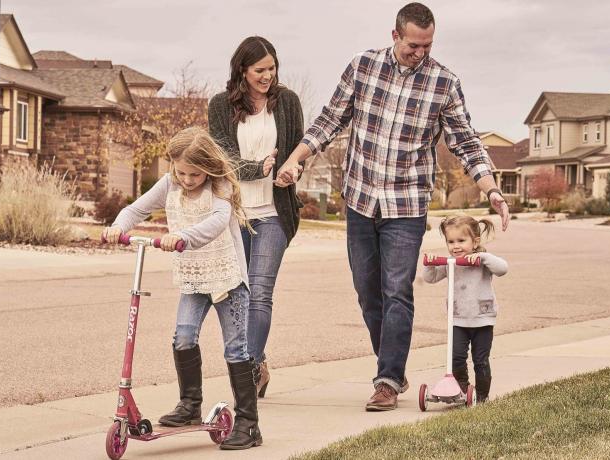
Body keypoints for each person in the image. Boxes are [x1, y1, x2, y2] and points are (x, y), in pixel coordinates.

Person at [274, 2, 511, 411]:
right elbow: (329, 120)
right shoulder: (363, 66)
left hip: (407, 204)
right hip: (360, 199)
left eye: (427, 46)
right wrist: (296, 159)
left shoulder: (444, 83)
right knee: (368, 293)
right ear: (395, 35)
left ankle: (386, 379)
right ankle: (395, 369)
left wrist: (491, 190)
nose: (420, 53)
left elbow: (466, 142)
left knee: (397, 290)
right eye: (413, 46)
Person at [102, 127, 261, 450]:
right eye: (182, 172)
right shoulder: (170, 183)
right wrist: (118, 226)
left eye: (194, 174)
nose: (187, 179)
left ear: (208, 168)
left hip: (227, 278)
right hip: (194, 277)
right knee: (184, 337)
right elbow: (137, 209)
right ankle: (190, 405)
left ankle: (248, 424)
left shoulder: (220, 186)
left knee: (235, 349)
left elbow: (217, 222)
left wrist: (184, 236)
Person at [208, 36, 304, 398]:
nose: (267, 76)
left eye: (272, 68)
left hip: (274, 214)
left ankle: (245, 373)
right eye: (260, 70)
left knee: (261, 292)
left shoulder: (288, 102)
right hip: (234, 215)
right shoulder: (220, 105)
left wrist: (292, 170)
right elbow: (222, 160)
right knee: (238, 295)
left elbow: (298, 150)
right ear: (242, 70)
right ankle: (258, 364)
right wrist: (257, 168)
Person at [423, 215, 508, 402]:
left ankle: (483, 396)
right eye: (451, 241)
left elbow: (503, 268)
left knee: (480, 360)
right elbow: (430, 278)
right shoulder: (451, 263)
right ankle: (461, 389)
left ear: (475, 241)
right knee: (456, 357)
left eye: (461, 241)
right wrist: (430, 264)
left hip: (482, 319)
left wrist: (482, 257)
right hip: (457, 320)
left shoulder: (482, 262)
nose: (456, 246)